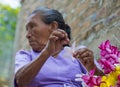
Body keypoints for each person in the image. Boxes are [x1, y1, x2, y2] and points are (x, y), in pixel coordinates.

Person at [14, 7, 103, 87]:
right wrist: (47, 52)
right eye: (27, 29)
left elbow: (104, 83)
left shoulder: (77, 54)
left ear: (53, 26)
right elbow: (20, 81)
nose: (27, 35)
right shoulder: (25, 56)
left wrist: (92, 67)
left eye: (32, 26)